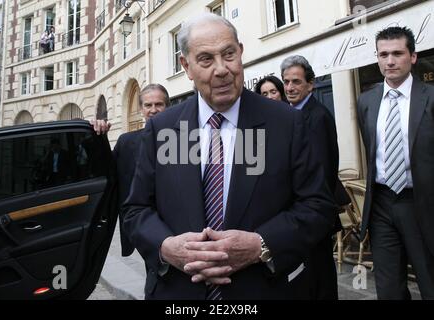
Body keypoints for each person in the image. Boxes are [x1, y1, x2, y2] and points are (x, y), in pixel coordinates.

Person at [122, 13, 336, 300]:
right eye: (206, 59)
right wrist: (165, 247)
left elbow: (317, 205)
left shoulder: (286, 123)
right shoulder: (163, 128)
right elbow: (136, 210)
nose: (222, 69)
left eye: (228, 54)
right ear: (186, 66)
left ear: (241, 53)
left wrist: (262, 244)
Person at [357, 26, 434, 300]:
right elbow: (371, 150)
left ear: (413, 57)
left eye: (397, 53)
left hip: (422, 203)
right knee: (389, 290)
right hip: (381, 205)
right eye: (383, 54)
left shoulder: (430, 97)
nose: (390, 61)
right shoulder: (366, 101)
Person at [280, 55, 349, 300]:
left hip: (314, 211)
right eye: (286, 81)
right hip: (298, 212)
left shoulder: (317, 116)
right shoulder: (289, 114)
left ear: (311, 84)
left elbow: (323, 168)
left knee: (320, 274)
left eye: (296, 82)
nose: (289, 87)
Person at [113, 84, 169, 257]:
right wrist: (96, 135)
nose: (153, 110)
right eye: (148, 105)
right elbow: (106, 175)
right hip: (144, 224)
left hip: (174, 225)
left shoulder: (184, 140)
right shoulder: (125, 142)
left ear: (168, 106)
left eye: (159, 104)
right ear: (141, 109)